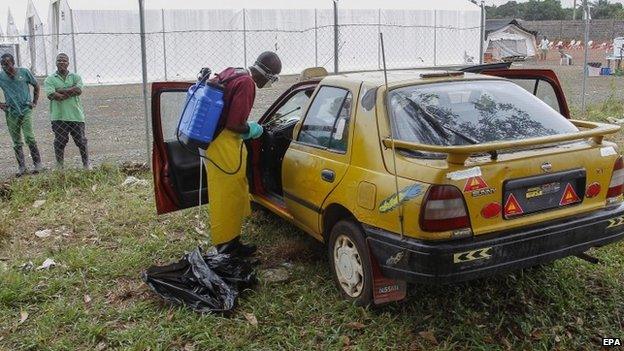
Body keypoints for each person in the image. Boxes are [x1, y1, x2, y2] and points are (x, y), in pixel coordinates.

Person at [207, 51, 282, 257]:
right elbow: (234, 125)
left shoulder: (234, 71)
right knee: (227, 194)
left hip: (215, 141)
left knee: (233, 189)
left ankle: (232, 240)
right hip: (223, 143)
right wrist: (253, 129)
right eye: (273, 78)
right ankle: (226, 247)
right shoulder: (247, 83)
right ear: (267, 75)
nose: (270, 83)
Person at [44, 53, 90, 169]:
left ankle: (86, 164)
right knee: (59, 142)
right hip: (59, 117)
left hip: (76, 116)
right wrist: (71, 90)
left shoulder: (75, 77)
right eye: (59, 60)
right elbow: (52, 95)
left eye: (64, 61)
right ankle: (60, 167)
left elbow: (79, 90)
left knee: (81, 142)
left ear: (68, 63)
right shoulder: (50, 79)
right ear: (56, 63)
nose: (62, 63)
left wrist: (60, 90)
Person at [0, 53, 43, 176]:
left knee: (29, 136)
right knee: (16, 141)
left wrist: (34, 102)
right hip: (11, 112)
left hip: (25, 110)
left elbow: (36, 85)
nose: (4, 67)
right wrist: (1, 104)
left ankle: (38, 164)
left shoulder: (24, 72)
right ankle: (22, 167)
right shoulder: (1, 76)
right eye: (2, 64)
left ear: (13, 63)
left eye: (7, 64)